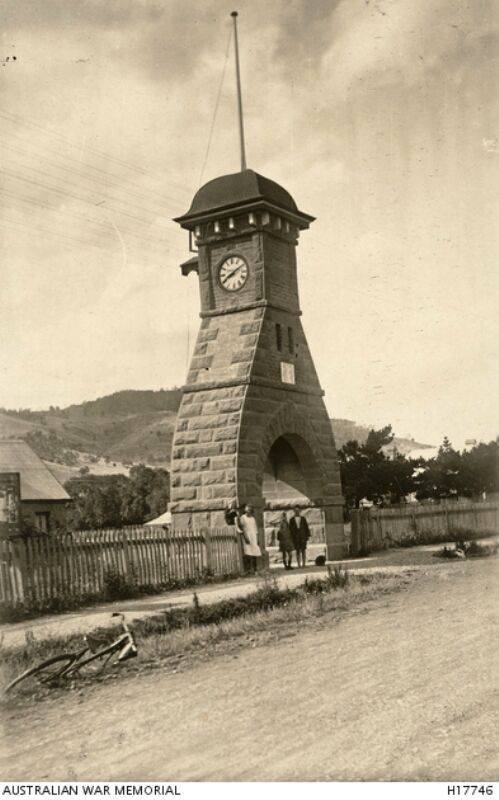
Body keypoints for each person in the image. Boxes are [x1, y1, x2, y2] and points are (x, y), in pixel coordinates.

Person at [238, 503, 261, 574]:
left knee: (254, 553)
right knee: (248, 553)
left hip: (253, 536)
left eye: (250, 510)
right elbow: (242, 528)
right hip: (247, 536)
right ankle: (248, 570)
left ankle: (255, 569)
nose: (248, 511)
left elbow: (255, 529)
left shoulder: (253, 518)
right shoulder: (243, 517)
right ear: (245, 510)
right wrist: (245, 538)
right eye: (247, 509)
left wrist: (257, 539)